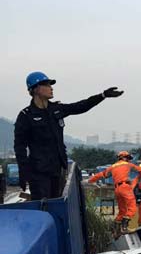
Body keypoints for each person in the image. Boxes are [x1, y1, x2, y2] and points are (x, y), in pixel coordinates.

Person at [14, 71, 123, 200]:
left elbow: (80, 106)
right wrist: (23, 172)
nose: (51, 88)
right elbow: (20, 147)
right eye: (47, 85)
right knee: (43, 206)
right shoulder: (26, 116)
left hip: (57, 170)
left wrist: (103, 95)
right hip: (39, 173)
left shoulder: (56, 109)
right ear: (36, 89)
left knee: (56, 205)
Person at [89, 151, 141, 236]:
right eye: (128, 159)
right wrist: (140, 174)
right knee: (132, 208)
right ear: (125, 158)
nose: (129, 160)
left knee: (122, 211)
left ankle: (115, 230)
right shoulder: (128, 165)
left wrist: (90, 180)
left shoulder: (112, 166)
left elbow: (102, 174)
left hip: (117, 189)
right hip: (125, 187)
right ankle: (124, 228)